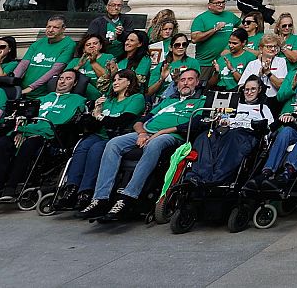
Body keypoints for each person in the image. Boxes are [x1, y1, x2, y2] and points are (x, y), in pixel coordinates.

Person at [81, 68, 207, 221]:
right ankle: (101, 198)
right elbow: (140, 121)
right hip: (146, 132)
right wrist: (141, 133)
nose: (186, 83)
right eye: (182, 80)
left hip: (171, 136)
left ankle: (128, 197)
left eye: (190, 79)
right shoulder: (168, 101)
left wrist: (161, 132)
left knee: (154, 144)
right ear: (177, 83)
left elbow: (196, 124)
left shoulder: (202, 101)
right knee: (113, 143)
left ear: (197, 82)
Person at [0, 68, 86, 203]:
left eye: (68, 79)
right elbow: (23, 118)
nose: (62, 81)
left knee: (28, 145)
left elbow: (67, 122)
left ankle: (11, 187)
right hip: (26, 131)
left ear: (75, 83)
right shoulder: (40, 99)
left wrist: (35, 134)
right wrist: (20, 131)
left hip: (49, 136)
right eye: (61, 78)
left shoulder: (78, 100)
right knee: (2, 143)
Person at [58, 68, 144, 211]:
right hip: (100, 134)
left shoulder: (136, 98)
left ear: (129, 82)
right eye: (114, 80)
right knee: (83, 146)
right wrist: (94, 112)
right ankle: (71, 188)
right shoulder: (108, 100)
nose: (115, 82)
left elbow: (121, 122)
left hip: (118, 136)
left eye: (120, 79)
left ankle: (86, 192)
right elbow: (95, 125)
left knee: (96, 149)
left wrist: (100, 116)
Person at [184, 76, 273, 185]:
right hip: (226, 132)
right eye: (246, 89)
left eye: (253, 89)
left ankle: (214, 179)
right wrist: (222, 121)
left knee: (233, 136)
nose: (249, 92)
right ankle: (197, 176)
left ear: (259, 90)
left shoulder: (263, 108)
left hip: (246, 135)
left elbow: (269, 128)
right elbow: (223, 118)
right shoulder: (234, 105)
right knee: (204, 137)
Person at [14, 15, 75, 98]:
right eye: (48, 27)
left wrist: (31, 87)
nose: (50, 30)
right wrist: (11, 81)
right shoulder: (38, 43)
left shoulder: (69, 44)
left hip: (44, 94)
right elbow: (23, 65)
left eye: (55, 27)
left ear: (63, 29)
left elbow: (56, 70)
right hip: (22, 91)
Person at [189, 0, 240, 69]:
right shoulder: (201, 18)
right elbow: (194, 39)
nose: (221, 5)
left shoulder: (230, 15)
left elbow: (246, 27)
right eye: (218, 3)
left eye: (223, 2)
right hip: (205, 63)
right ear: (209, 5)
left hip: (225, 62)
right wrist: (215, 29)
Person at [241, 36, 288, 107]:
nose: (273, 49)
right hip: (255, 101)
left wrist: (268, 73)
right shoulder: (252, 64)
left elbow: (281, 86)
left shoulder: (281, 61)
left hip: (274, 101)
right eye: (269, 46)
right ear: (261, 49)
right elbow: (241, 85)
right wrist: (259, 76)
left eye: (275, 46)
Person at [148, 33, 198, 99]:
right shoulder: (162, 65)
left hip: (183, 99)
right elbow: (149, 92)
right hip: (162, 100)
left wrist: (177, 81)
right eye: (177, 45)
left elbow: (196, 85)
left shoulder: (193, 62)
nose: (181, 47)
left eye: (184, 44)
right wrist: (162, 79)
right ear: (170, 48)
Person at [67, 32, 115, 99]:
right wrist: (78, 66)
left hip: (100, 96)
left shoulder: (108, 57)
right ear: (83, 49)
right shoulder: (75, 61)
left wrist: (93, 62)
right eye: (88, 45)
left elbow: (106, 79)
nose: (91, 46)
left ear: (101, 46)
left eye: (95, 43)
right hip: (76, 96)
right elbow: (65, 79)